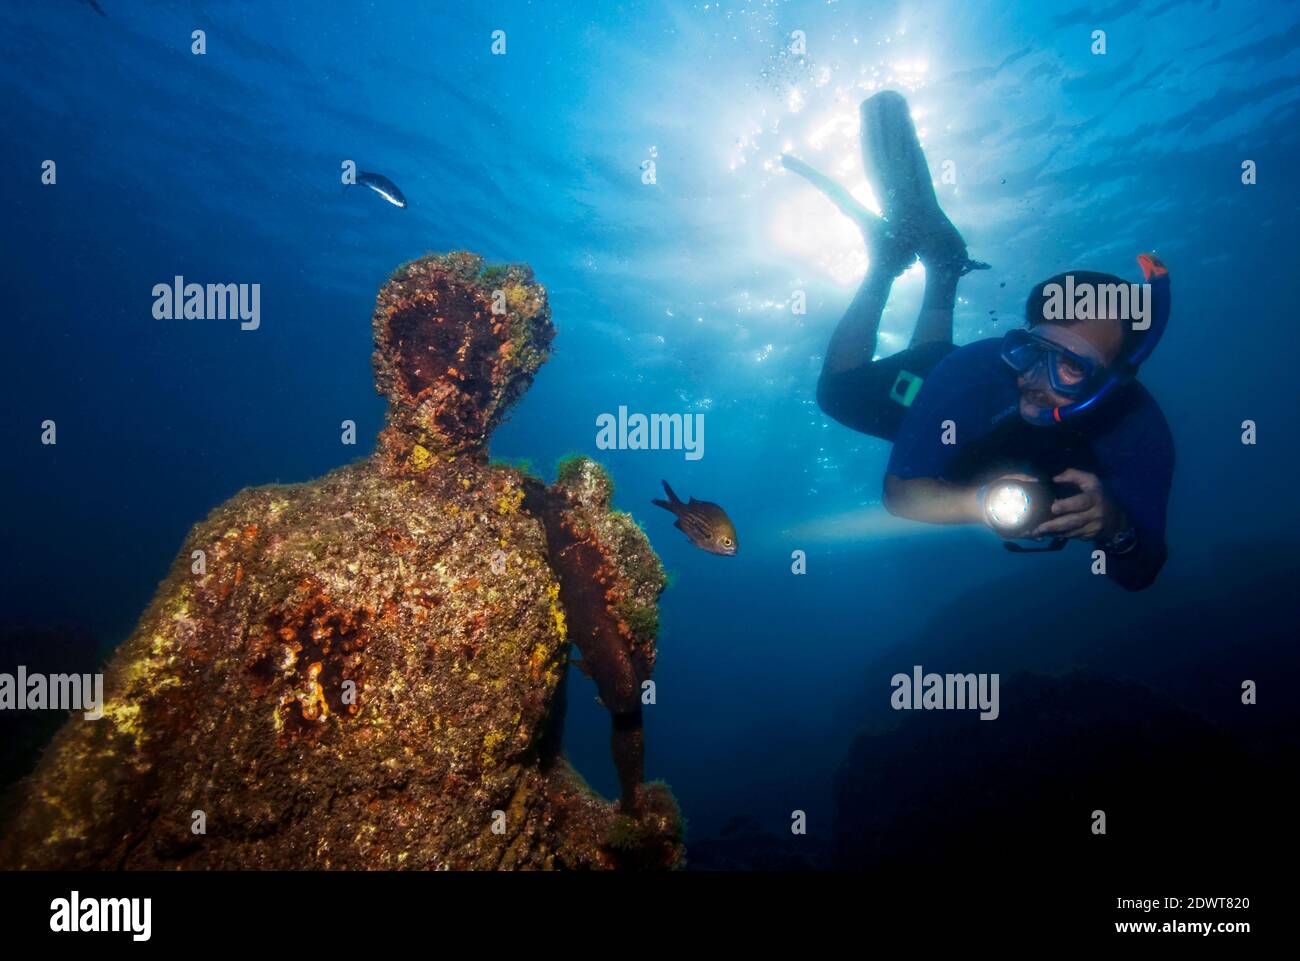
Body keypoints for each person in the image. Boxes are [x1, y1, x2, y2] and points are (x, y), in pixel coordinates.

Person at [785, 91, 1174, 591]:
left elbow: (1142, 573)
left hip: (958, 391)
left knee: (930, 364)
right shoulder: (984, 368)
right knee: (838, 395)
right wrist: (982, 502)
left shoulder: (1139, 432)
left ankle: (942, 265)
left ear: (1116, 381)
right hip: (953, 389)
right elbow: (901, 493)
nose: (1035, 380)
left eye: (1071, 367)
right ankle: (892, 262)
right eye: (1034, 350)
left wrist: (1116, 526)